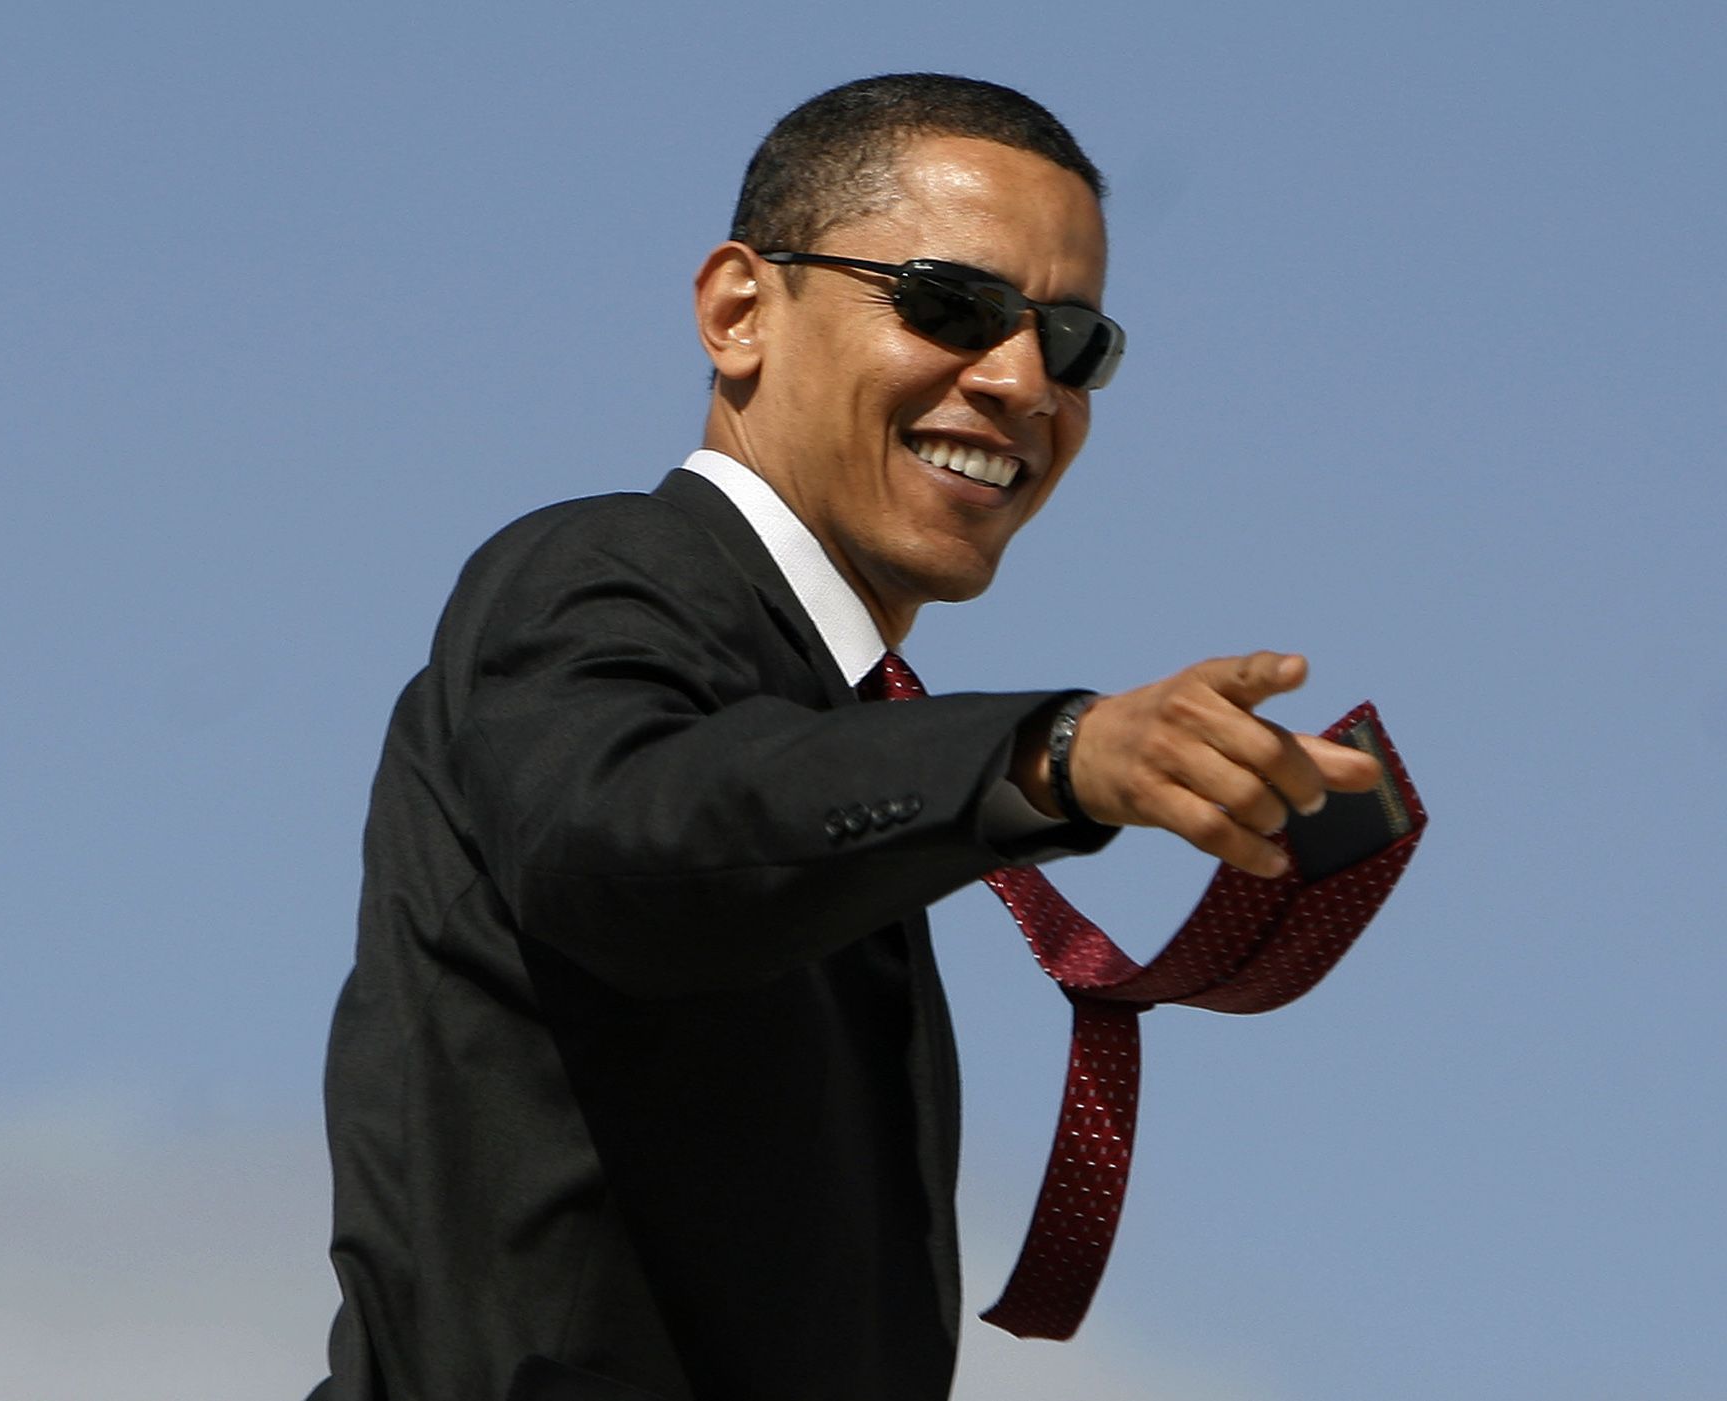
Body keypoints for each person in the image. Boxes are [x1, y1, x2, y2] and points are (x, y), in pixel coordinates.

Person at [309, 74, 1378, 1401]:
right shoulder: (602, 572)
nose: (1023, 382)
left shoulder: (842, 730)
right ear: (739, 311)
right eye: (950, 304)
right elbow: (627, 835)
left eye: (1073, 342)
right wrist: (1048, 756)